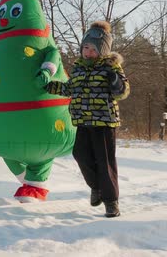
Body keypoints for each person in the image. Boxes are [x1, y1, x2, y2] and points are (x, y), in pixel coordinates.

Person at [40, 21, 130, 217]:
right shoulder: (79, 68)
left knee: (104, 162)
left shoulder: (111, 67)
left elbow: (123, 92)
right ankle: (96, 187)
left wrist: (115, 80)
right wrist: (48, 86)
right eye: (85, 48)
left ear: (102, 51)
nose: (88, 52)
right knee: (80, 154)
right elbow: (68, 88)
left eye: (93, 49)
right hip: (82, 120)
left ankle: (111, 202)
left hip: (104, 122)